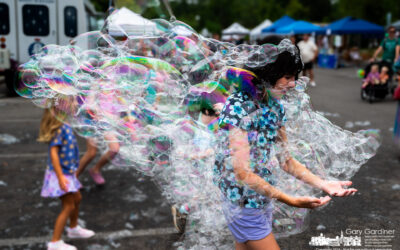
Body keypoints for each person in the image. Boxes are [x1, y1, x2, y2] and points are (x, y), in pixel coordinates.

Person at [214, 35, 357, 250]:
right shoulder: (238, 107)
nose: (293, 84)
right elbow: (242, 173)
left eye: (295, 77)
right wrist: (289, 199)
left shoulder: (275, 107)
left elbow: (286, 160)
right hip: (243, 203)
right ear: (269, 73)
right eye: (288, 77)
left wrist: (323, 183)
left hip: (261, 196)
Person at [38, 108, 95, 250]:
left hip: (67, 173)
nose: (75, 103)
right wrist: (60, 177)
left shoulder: (66, 124)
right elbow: (53, 153)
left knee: (77, 198)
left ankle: (73, 228)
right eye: (71, 101)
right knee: (68, 205)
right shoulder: (59, 128)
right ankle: (55, 242)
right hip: (61, 174)